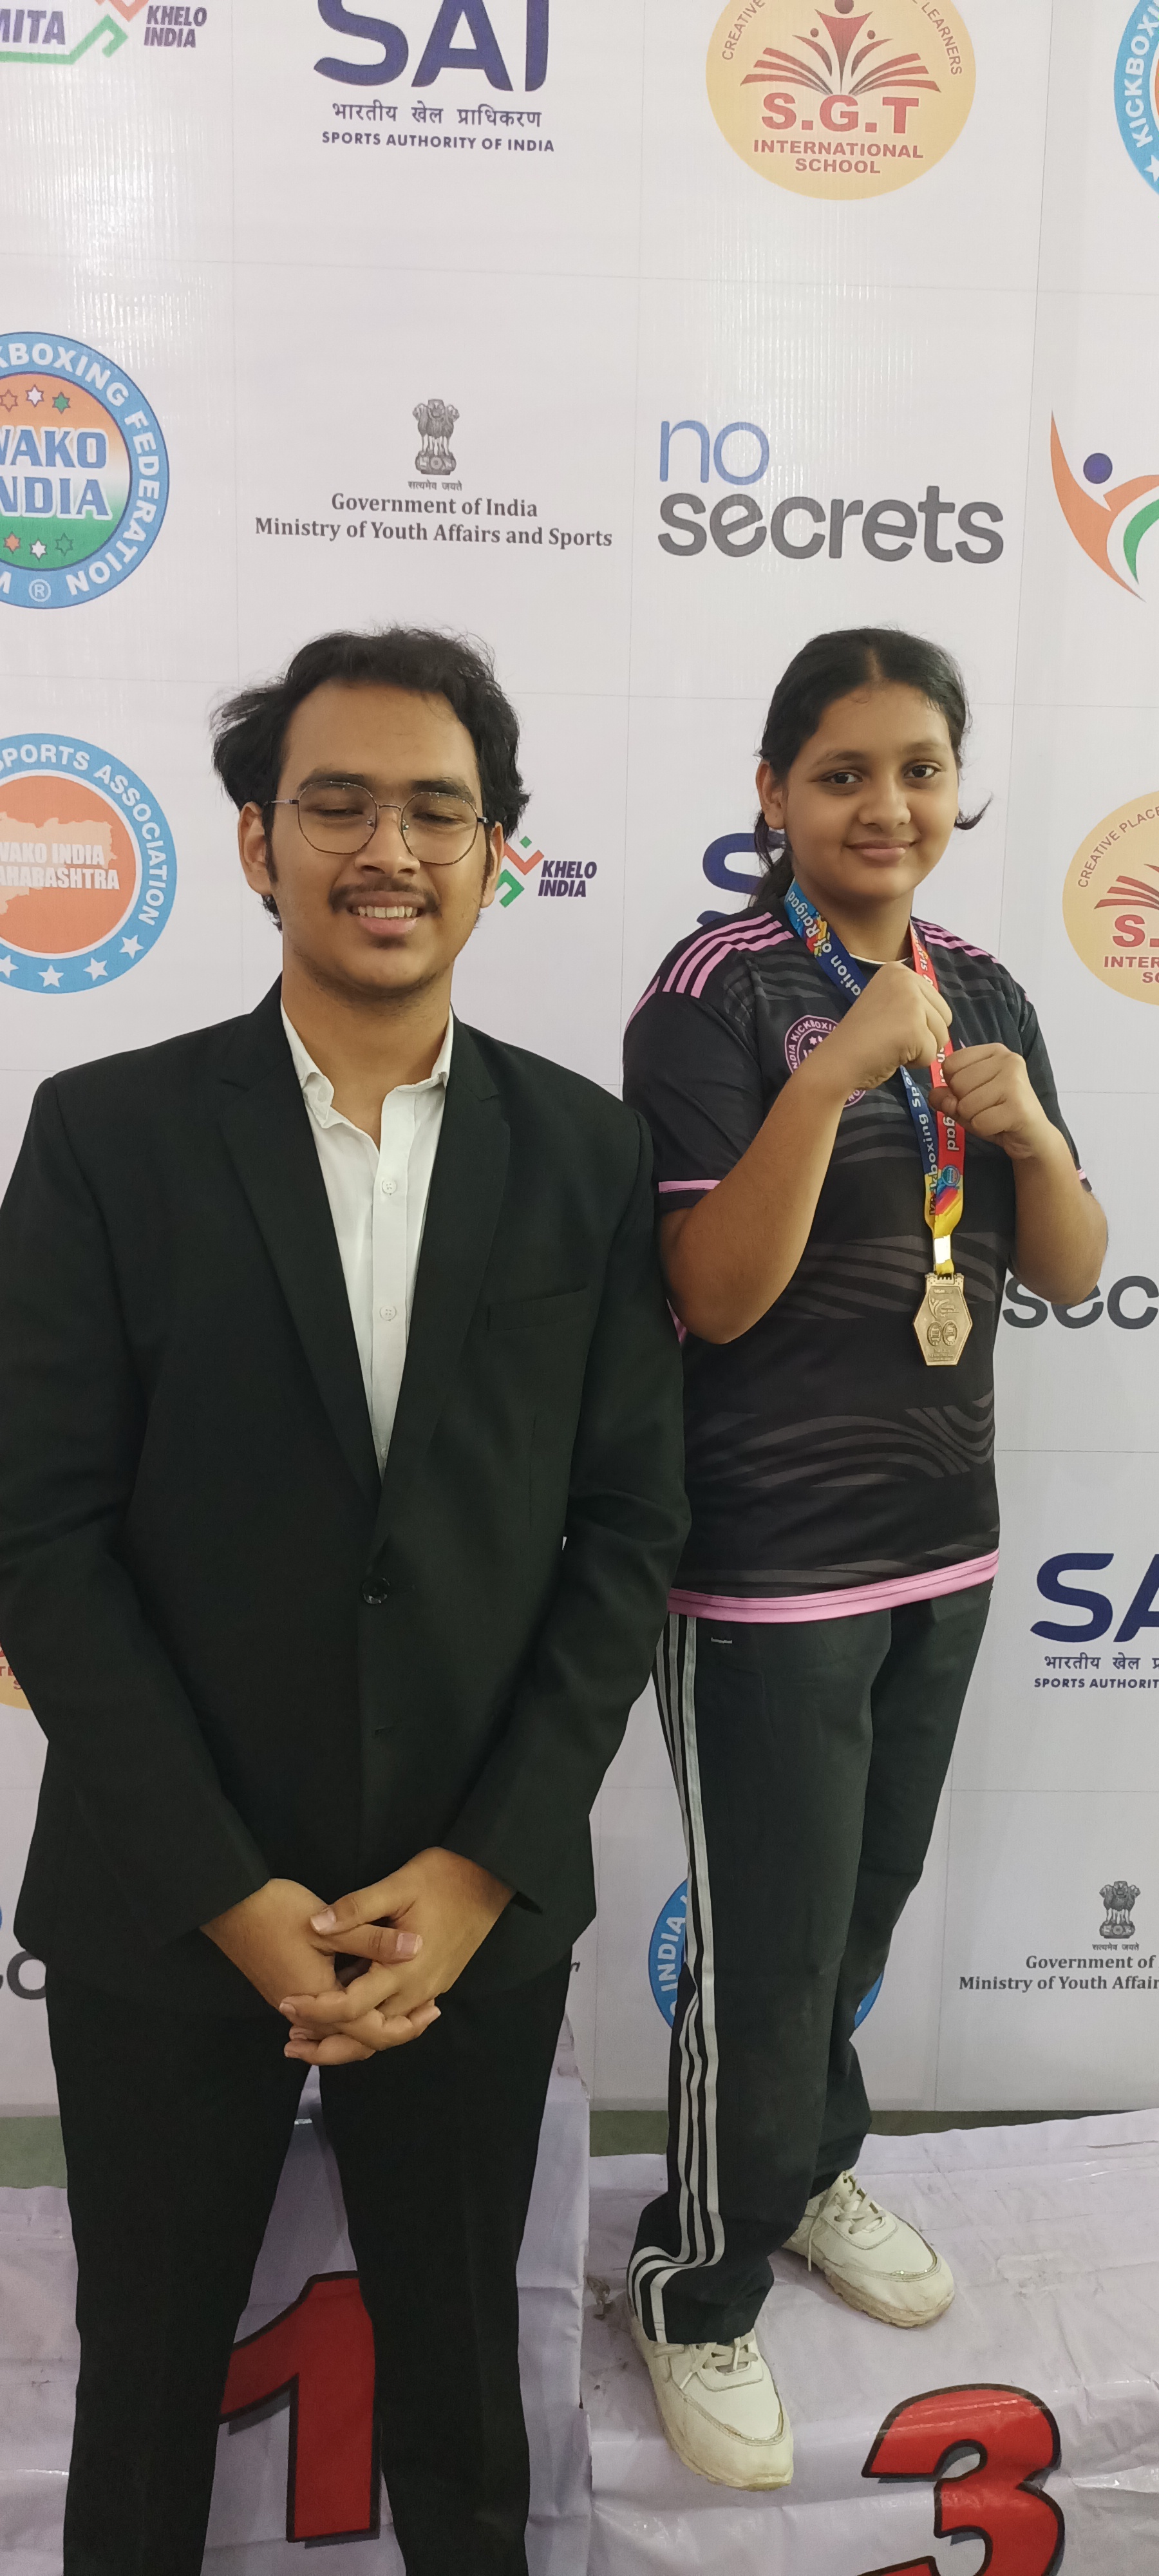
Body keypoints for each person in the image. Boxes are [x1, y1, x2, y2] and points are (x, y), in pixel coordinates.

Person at [0, 627, 688, 2575]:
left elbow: (627, 1532)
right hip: (167, 1910)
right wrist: (230, 1893)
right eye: (340, 805)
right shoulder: (106, 1134)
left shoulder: (586, 1151)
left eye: (438, 812)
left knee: (469, 2412)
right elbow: (39, 1540)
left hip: (465, 1912)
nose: (391, 849)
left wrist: (476, 1873)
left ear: (497, 856)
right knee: (142, 2403)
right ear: (256, 843)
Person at [621, 627, 1106, 2490]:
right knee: (764, 1948)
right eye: (842, 772)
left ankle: (810, 2171)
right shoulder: (715, 992)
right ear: (773, 793)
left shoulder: (984, 985)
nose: (886, 805)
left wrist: (1030, 1128)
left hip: (941, 1546)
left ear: (955, 785)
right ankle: (694, 2278)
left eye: (920, 768)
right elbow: (709, 1295)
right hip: (765, 1566)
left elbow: (1068, 1267)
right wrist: (827, 1086)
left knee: (862, 1913)